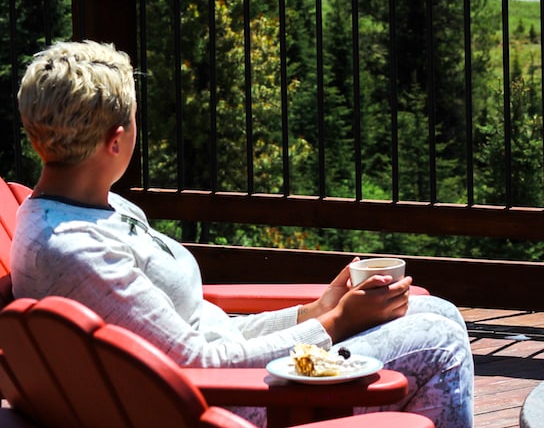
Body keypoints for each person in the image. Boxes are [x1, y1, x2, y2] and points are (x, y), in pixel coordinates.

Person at [10, 40, 473, 428]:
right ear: (116, 140)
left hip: (217, 377)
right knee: (440, 342)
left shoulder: (95, 207)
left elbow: (200, 329)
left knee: (438, 311)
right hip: (236, 403)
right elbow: (197, 363)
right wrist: (335, 325)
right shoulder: (78, 252)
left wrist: (313, 311)